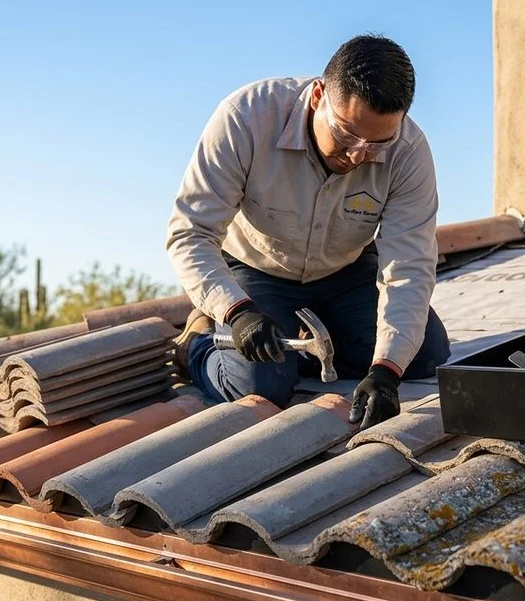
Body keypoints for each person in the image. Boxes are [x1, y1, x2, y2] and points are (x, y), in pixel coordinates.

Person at [165, 34, 450, 429]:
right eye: (348, 135)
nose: (357, 154)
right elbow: (189, 234)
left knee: (424, 355)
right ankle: (198, 345)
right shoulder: (244, 119)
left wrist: (386, 370)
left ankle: (311, 343)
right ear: (318, 95)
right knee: (261, 385)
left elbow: (410, 268)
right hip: (257, 271)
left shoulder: (409, 150)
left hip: (346, 272)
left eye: (376, 144)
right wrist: (237, 311)